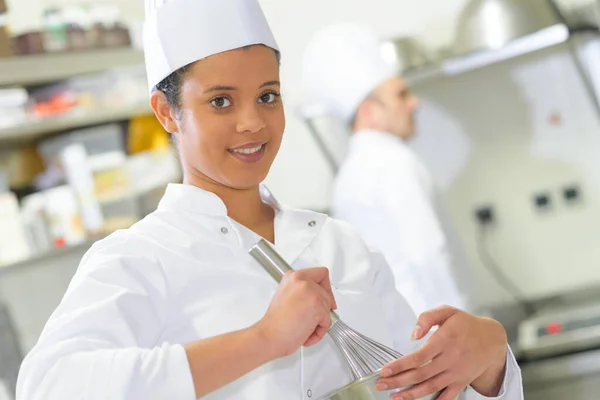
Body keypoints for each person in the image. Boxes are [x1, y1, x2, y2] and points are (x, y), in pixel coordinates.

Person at [16, 1, 522, 399]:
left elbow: (422, 387)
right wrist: (262, 340)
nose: (253, 122)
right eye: (220, 101)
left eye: (267, 95)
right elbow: (48, 386)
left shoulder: (339, 246)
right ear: (166, 113)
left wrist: (490, 364)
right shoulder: (137, 259)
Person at [301, 23, 473, 316]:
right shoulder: (392, 163)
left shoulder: (350, 175)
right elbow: (428, 254)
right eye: (401, 95)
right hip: (435, 332)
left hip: (402, 336)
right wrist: (464, 326)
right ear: (369, 110)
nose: (414, 103)